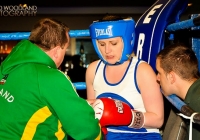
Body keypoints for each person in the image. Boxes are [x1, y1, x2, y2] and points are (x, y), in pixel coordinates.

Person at [0, 18, 103, 140]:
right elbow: (87, 130)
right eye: (65, 48)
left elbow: (31, 100)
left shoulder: (11, 65)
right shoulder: (52, 78)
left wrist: (79, 104)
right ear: (57, 52)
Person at [86, 15, 164, 139]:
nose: (107, 50)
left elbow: (158, 119)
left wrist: (127, 116)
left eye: (114, 43)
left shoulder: (142, 70)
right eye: (101, 44)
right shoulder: (93, 70)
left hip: (141, 136)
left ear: (127, 39)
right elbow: (95, 115)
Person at [156, 43, 200, 140]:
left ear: (171, 77)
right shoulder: (192, 96)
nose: (157, 78)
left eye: (159, 73)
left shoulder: (196, 104)